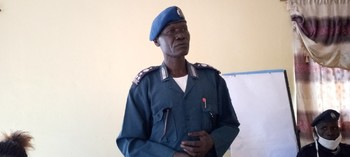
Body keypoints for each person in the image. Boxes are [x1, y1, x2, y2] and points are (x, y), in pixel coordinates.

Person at [116, 6, 240, 157]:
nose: (181, 36)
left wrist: (213, 141)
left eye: (183, 29)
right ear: (156, 41)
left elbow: (230, 124)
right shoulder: (145, 86)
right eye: (172, 31)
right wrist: (169, 155)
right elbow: (129, 141)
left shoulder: (212, 80)